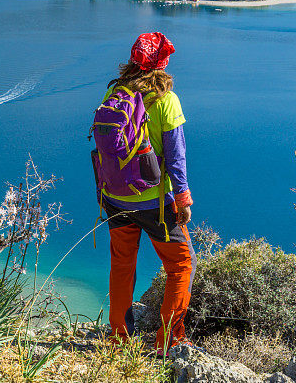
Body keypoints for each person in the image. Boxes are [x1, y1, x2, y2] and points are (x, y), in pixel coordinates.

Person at [100, 32, 196, 351]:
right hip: (156, 203)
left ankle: (118, 337)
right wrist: (182, 198)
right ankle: (167, 341)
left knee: (123, 266)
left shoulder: (115, 91)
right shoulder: (166, 100)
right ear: (162, 63)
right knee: (181, 265)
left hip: (114, 199)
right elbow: (176, 155)